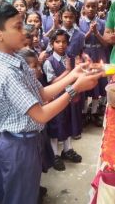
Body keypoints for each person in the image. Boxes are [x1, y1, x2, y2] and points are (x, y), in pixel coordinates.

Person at [0, 3, 101, 204]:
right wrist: (76, 88)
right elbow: (41, 114)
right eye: (17, 27)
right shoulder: (7, 72)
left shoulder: (16, 59)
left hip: (27, 140)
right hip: (16, 145)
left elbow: (42, 93)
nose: (24, 32)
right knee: (18, 197)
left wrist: (73, 74)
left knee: (27, 193)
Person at [42, 30, 83, 171]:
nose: (61, 45)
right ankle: (55, 154)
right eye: (57, 42)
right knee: (56, 127)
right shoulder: (49, 62)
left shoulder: (71, 58)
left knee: (69, 123)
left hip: (70, 96)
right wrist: (68, 72)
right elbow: (52, 83)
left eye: (64, 42)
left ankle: (68, 149)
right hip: (56, 99)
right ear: (52, 44)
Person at [79, 0, 107, 126]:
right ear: (83, 8)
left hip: (98, 55)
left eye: (94, 6)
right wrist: (90, 32)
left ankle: (95, 112)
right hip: (86, 57)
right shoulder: (79, 23)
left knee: (97, 85)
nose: (91, 9)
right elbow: (79, 42)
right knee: (85, 85)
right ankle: (84, 113)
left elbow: (106, 43)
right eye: (88, 6)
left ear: (97, 8)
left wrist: (97, 33)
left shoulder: (102, 23)